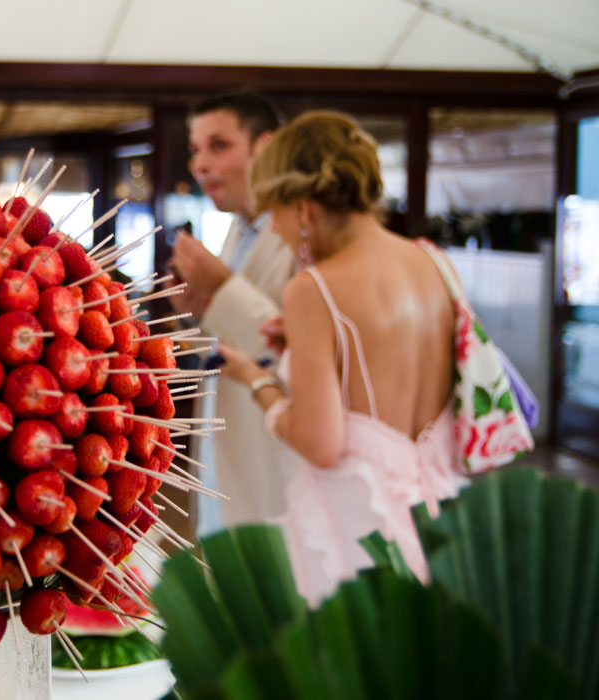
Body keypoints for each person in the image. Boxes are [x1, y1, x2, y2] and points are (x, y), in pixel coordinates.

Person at [217, 111, 468, 604]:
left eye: (277, 217)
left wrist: (255, 380)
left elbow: (321, 443)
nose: (281, 235)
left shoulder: (314, 290)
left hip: (359, 529)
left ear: (305, 210)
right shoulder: (434, 262)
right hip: (440, 512)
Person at [168, 92, 299, 535]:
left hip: (286, 449)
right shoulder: (235, 230)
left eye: (218, 146)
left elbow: (302, 344)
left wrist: (222, 288)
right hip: (229, 439)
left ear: (265, 147)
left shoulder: (303, 233)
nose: (200, 165)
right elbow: (228, 332)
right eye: (196, 150)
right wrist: (197, 310)